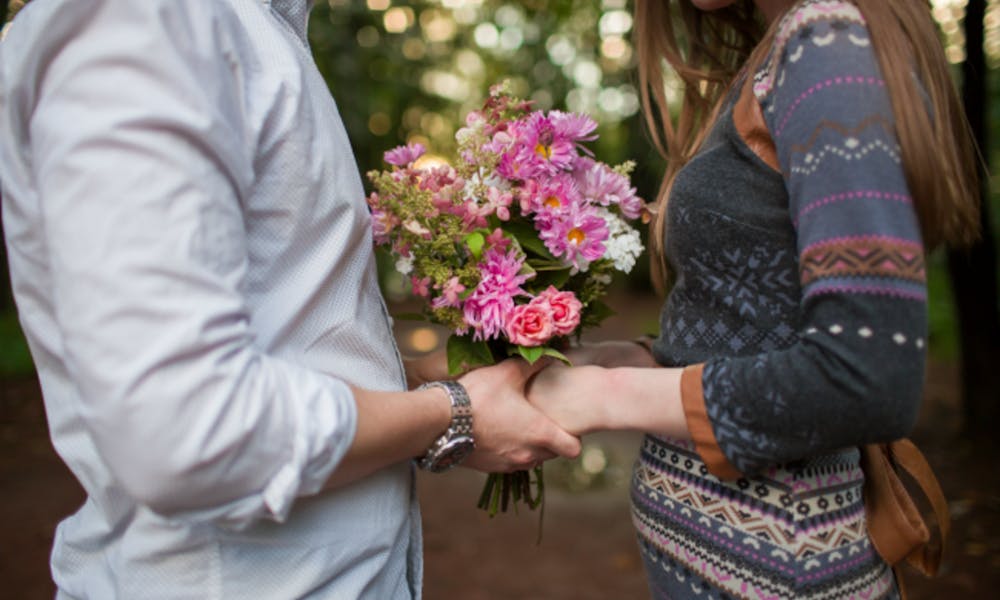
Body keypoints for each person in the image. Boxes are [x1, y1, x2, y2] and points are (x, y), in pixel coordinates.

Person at [0, 1, 580, 597]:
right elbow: (184, 427)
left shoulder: (248, 29)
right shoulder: (149, 20)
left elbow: (276, 331)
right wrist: (451, 412)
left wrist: (405, 380)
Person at [528, 0, 979, 598]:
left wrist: (606, 396)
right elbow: (767, 323)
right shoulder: (776, 55)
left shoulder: (827, 48)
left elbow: (869, 377)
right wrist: (640, 360)